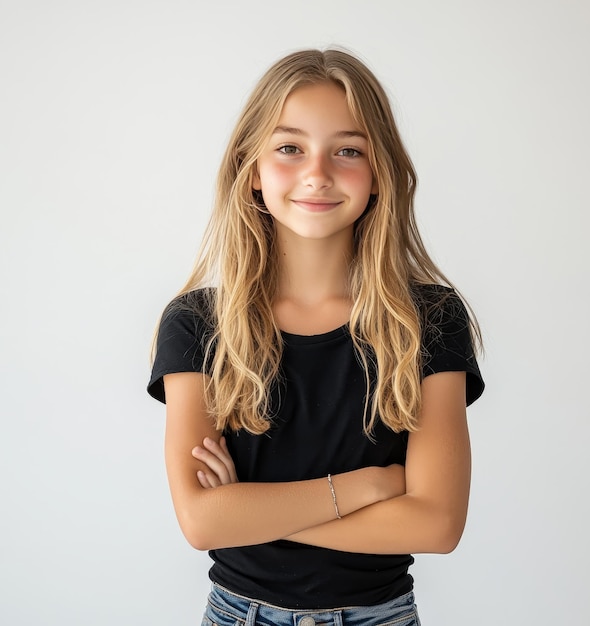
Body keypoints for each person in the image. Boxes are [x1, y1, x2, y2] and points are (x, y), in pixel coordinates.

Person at [148, 47, 484, 626]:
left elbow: (437, 525)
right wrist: (371, 486)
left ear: (379, 171)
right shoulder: (198, 326)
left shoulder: (429, 321)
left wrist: (251, 512)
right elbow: (202, 523)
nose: (317, 173)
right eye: (289, 148)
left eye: (347, 150)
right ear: (251, 169)